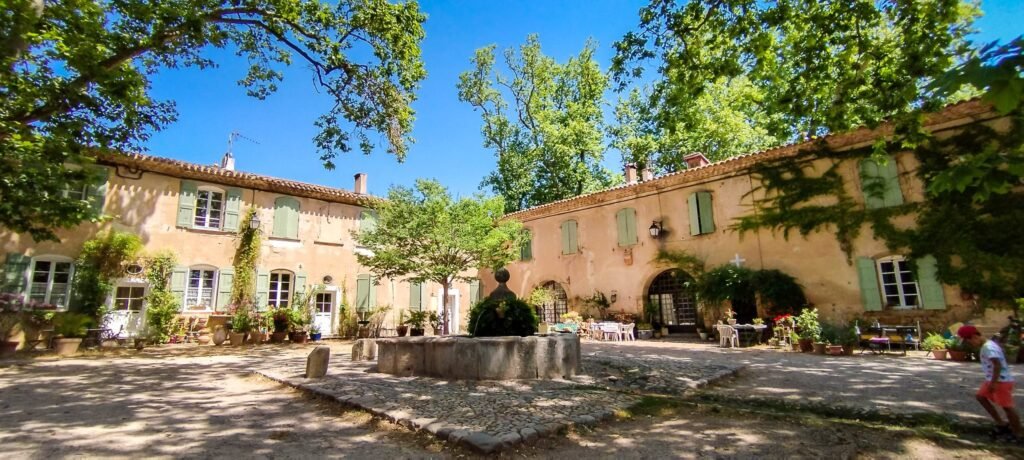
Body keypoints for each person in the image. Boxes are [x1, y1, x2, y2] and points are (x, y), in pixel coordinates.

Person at [958, 324, 1021, 441]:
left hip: (1000, 381)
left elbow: (997, 364)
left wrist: (994, 382)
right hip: (993, 379)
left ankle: (1018, 434)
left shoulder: (988, 347)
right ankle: (1001, 423)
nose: (970, 344)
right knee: (980, 396)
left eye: (968, 341)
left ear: (974, 337)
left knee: (1007, 407)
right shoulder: (986, 346)